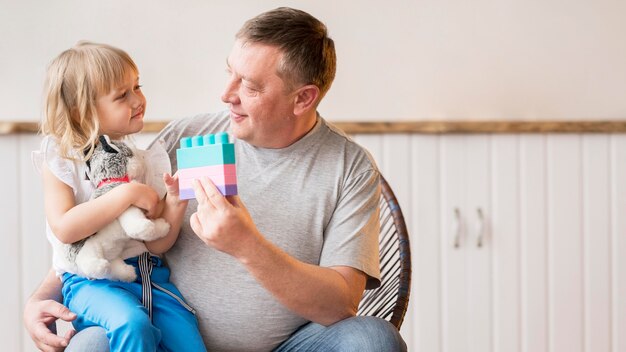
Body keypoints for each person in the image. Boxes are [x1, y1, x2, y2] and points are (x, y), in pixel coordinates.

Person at [24, 8, 407, 352]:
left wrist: (246, 246)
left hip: (290, 346)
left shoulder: (349, 167)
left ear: (303, 99)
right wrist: (40, 298)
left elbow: (340, 305)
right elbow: (109, 228)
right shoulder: (187, 137)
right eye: (230, 74)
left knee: (373, 339)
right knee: (89, 345)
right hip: (162, 338)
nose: (226, 95)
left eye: (250, 86)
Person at [28, 41, 206, 352]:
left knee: (189, 340)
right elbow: (66, 228)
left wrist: (176, 204)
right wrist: (127, 193)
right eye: (122, 95)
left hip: (149, 276)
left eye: (137, 87)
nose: (138, 100)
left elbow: (156, 242)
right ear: (81, 110)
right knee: (130, 323)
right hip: (90, 280)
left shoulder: (145, 161)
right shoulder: (61, 158)